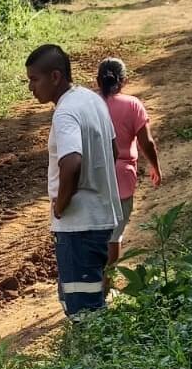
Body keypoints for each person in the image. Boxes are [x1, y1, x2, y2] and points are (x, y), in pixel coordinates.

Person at [26, 44, 122, 317]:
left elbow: (72, 162)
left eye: (35, 79)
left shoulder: (65, 112)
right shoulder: (93, 100)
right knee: (92, 302)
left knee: (84, 312)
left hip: (78, 226)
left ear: (55, 77)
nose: (31, 87)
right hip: (101, 220)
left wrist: (61, 206)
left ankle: (95, 359)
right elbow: (114, 150)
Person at [96, 58, 161, 287]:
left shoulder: (91, 104)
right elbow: (147, 143)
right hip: (123, 176)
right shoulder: (133, 105)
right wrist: (155, 166)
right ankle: (107, 282)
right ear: (123, 81)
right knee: (114, 235)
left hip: (93, 176)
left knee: (95, 230)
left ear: (97, 80)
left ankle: (93, 282)